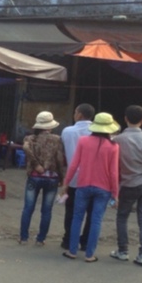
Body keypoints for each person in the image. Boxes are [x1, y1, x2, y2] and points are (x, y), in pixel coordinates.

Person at [61, 112, 120, 262]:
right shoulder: (114, 147)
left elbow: (74, 165)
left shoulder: (83, 141)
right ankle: (89, 254)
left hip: (83, 185)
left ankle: (72, 251)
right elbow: (114, 172)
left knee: (77, 218)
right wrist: (115, 193)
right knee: (96, 220)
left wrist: (66, 184)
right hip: (104, 188)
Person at [112, 105, 142, 266]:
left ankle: (123, 251)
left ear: (125, 118)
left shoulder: (117, 140)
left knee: (122, 217)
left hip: (127, 184)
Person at [19, 111, 66, 246]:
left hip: (34, 177)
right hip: (52, 178)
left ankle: (23, 238)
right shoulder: (57, 139)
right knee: (46, 210)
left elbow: (26, 149)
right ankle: (40, 239)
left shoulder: (30, 139)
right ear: (50, 126)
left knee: (28, 208)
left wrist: (36, 165)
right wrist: (62, 178)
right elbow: (59, 159)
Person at [60, 103, 95, 251]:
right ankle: (86, 242)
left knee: (72, 211)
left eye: (75, 112)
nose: (74, 115)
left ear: (79, 114)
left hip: (73, 178)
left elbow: (63, 151)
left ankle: (68, 240)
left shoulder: (67, 131)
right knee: (92, 213)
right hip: (93, 178)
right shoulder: (97, 132)